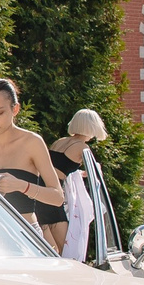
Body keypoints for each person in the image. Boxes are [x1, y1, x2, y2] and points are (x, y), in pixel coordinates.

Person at [0, 78, 67, 249]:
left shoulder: (32, 142)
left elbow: (58, 197)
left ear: (15, 109)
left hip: (27, 237)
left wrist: (21, 186)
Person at [54, 109, 107, 262]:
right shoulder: (83, 148)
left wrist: (78, 173)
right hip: (57, 197)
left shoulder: (59, 142)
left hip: (47, 189)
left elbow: (59, 168)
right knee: (68, 248)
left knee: (53, 248)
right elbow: (94, 174)